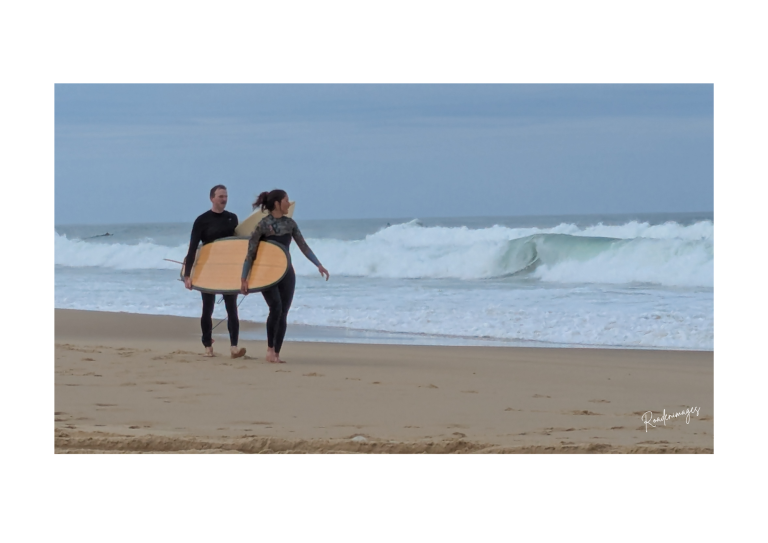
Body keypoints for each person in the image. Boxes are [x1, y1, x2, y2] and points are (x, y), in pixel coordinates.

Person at [241, 189, 329, 363]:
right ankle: (269, 349)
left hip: (287, 273)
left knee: (283, 312)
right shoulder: (263, 225)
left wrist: (318, 264)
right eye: (286, 200)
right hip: (267, 273)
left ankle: (276, 353)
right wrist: (244, 278)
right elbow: (250, 253)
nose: (289, 204)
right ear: (277, 203)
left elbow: (304, 246)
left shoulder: (290, 224)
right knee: (276, 307)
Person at [184, 185, 246, 359]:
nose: (224, 199)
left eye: (226, 196)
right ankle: (207, 347)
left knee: (232, 308)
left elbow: (238, 245)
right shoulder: (202, 220)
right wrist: (188, 275)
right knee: (207, 308)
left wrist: (244, 272)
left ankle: (234, 347)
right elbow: (193, 248)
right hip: (208, 269)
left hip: (228, 269)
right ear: (212, 198)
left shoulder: (232, 218)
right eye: (220, 196)